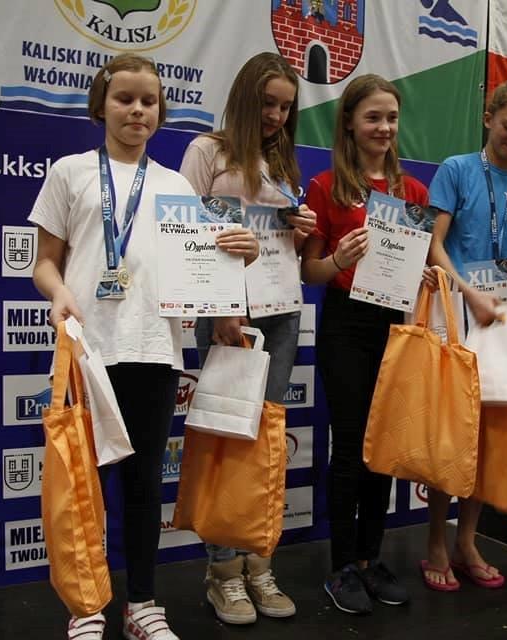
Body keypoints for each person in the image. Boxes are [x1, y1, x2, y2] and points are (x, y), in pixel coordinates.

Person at [29, 53, 258, 640]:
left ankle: (141, 604)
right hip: (87, 351)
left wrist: (241, 257)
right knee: (84, 485)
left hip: (155, 350)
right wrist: (58, 293)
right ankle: (86, 607)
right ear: (100, 106)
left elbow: (201, 269)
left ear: (161, 111)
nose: (137, 110)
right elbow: (44, 263)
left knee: (143, 484)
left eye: (148, 101)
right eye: (125, 99)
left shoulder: (177, 186)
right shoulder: (70, 172)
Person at [179, 51, 316, 626]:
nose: (276, 116)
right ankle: (223, 573)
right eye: (267, 103)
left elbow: (287, 253)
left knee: (265, 443)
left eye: (285, 107)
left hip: (281, 313)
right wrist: (220, 308)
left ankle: (259, 564)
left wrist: (302, 231)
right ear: (244, 97)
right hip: (227, 316)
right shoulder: (207, 152)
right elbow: (184, 236)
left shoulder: (283, 161)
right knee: (227, 441)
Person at [302, 74, 428, 614]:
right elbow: (310, 270)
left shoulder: (413, 193)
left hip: (391, 325)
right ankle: (341, 567)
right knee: (351, 447)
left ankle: (370, 558)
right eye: (373, 117)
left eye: (391, 118)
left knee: (383, 448)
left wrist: (423, 276)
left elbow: (416, 266)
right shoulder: (325, 186)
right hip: (345, 325)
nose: (384, 127)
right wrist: (339, 260)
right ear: (350, 123)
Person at [422, 79, 507, 591]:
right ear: (488, 117)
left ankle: (467, 541)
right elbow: (433, 243)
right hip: (458, 312)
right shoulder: (456, 169)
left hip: (505, 321)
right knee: (452, 433)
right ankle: (436, 540)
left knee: (487, 434)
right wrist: (468, 293)